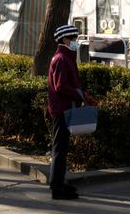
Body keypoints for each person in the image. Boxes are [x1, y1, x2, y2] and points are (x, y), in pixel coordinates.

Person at [47, 24, 96, 200]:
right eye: (74, 38)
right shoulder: (61, 58)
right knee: (59, 149)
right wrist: (79, 94)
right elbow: (60, 86)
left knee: (61, 148)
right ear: (66, 39)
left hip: (63, 108)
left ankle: (59, 182)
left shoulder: (65, 56)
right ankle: (56, 187)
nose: (76, 41)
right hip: (61, 109)